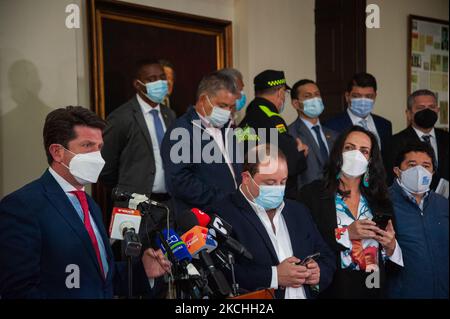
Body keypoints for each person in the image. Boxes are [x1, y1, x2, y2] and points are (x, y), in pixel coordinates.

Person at [0, 106, 171, 299]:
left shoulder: (91, 205)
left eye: (99, 147)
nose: (97, 157)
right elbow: (18, 291)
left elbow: (101, 278)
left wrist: (142, 271)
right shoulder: (22, 207)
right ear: (57, 152)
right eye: (88, 145)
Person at [208, 144, 336, 299]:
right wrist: (274, 277)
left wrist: (318, 272)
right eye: (270, 183)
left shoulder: (298, 211)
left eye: (283, 182)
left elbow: (326, 255)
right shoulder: (223, 214)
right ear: (246, 178)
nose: (278, 189)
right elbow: (220, 272)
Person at [298, 126, 403, 298]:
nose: (356, 154)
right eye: (349, 148)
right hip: (331, 289)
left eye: (364, 150)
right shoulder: (312, 194)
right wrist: (346, 234)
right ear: (338, 152)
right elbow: (305, 243)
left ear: (370, 160)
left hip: (373, 287)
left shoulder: (380, 198)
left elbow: (391, 263)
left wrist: (391, 247)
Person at [161, 71, 242, 216]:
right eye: (222, 105)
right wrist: (223, 198)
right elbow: (179, 181)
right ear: (204, 99)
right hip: (200, 218)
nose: (227, 112)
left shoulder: (228, 127)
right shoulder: (181, 131)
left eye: (231, 107)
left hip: (232, 213)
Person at [100, 59, 176, 203]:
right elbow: (105, 168)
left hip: (168, 202)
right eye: (151, 79)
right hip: (135, 204)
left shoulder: (170, 115)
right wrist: (127, 188)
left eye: (162, 78)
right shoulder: (121, 117)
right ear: (137, 84)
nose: (159, 83)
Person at [387, 142, 448, 299]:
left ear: (433, 172)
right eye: (412, 165)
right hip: (404, 292)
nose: (419, 171)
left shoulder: (443, 204)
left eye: (426, 165)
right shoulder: (383, 204)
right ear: (397, 171)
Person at [239, 70, 307, 199]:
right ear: (280, 92)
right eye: (285, 93)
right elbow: (290, 164)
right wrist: (301, 154)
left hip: (251, 190)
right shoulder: (271, 118)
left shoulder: (246, 119)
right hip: (274, 194)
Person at [386, 89, 449, 190]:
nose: (427, 111)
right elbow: (390, 180)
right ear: (409, 114)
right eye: (421, 108)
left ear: (438, 110)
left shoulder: (446, 138)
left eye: (432, 107)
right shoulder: (394, 143)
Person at [324, 72, 392, 156]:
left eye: (368, 96)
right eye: (357, 96)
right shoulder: (331, 126)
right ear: (347, 96)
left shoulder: (384, 125)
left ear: (375, 97)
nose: (363, 101)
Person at [288, 79, 338, 189]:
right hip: (306, 199)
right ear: (296, 104)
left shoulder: (333, 135)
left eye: (317, 94)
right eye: (308, 96)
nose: (315, 99)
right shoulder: (290, 134)